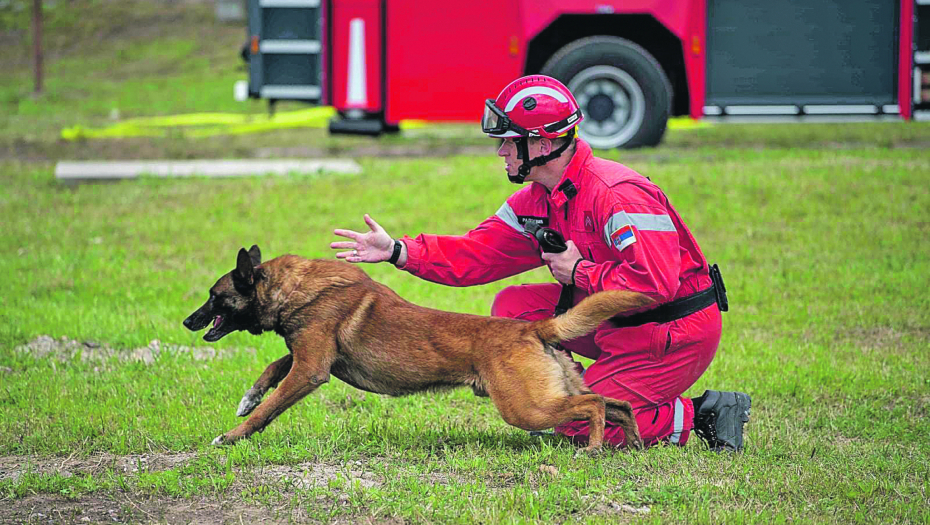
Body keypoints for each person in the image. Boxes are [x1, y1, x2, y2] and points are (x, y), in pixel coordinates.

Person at [330, 75, 750, 452]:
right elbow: (478, 253)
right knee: (512, 312)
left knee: (580, 425)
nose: (500, 152)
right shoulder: (538, 197)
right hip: (612, 318)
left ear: (543, 144)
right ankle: (578, 392)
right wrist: (398, 251)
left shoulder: (616, 194)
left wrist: (580, 272)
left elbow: (655, 284)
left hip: (670, 329)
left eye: (509, 141)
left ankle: (699, 413)